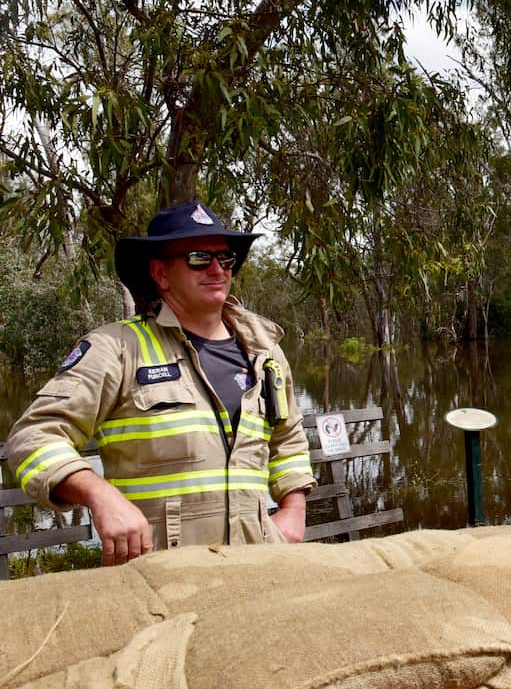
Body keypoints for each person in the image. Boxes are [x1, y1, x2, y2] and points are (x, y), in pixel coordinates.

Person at [5, 201, 315, 565]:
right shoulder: (116, 349)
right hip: (157, 574)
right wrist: (100, 495)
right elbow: (33, 438)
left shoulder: (265, 353)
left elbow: (288, 439)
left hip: (258, 567)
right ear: (161, 274)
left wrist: (294, 508)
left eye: (225, 258)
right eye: (199, 257)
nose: (217, 268)